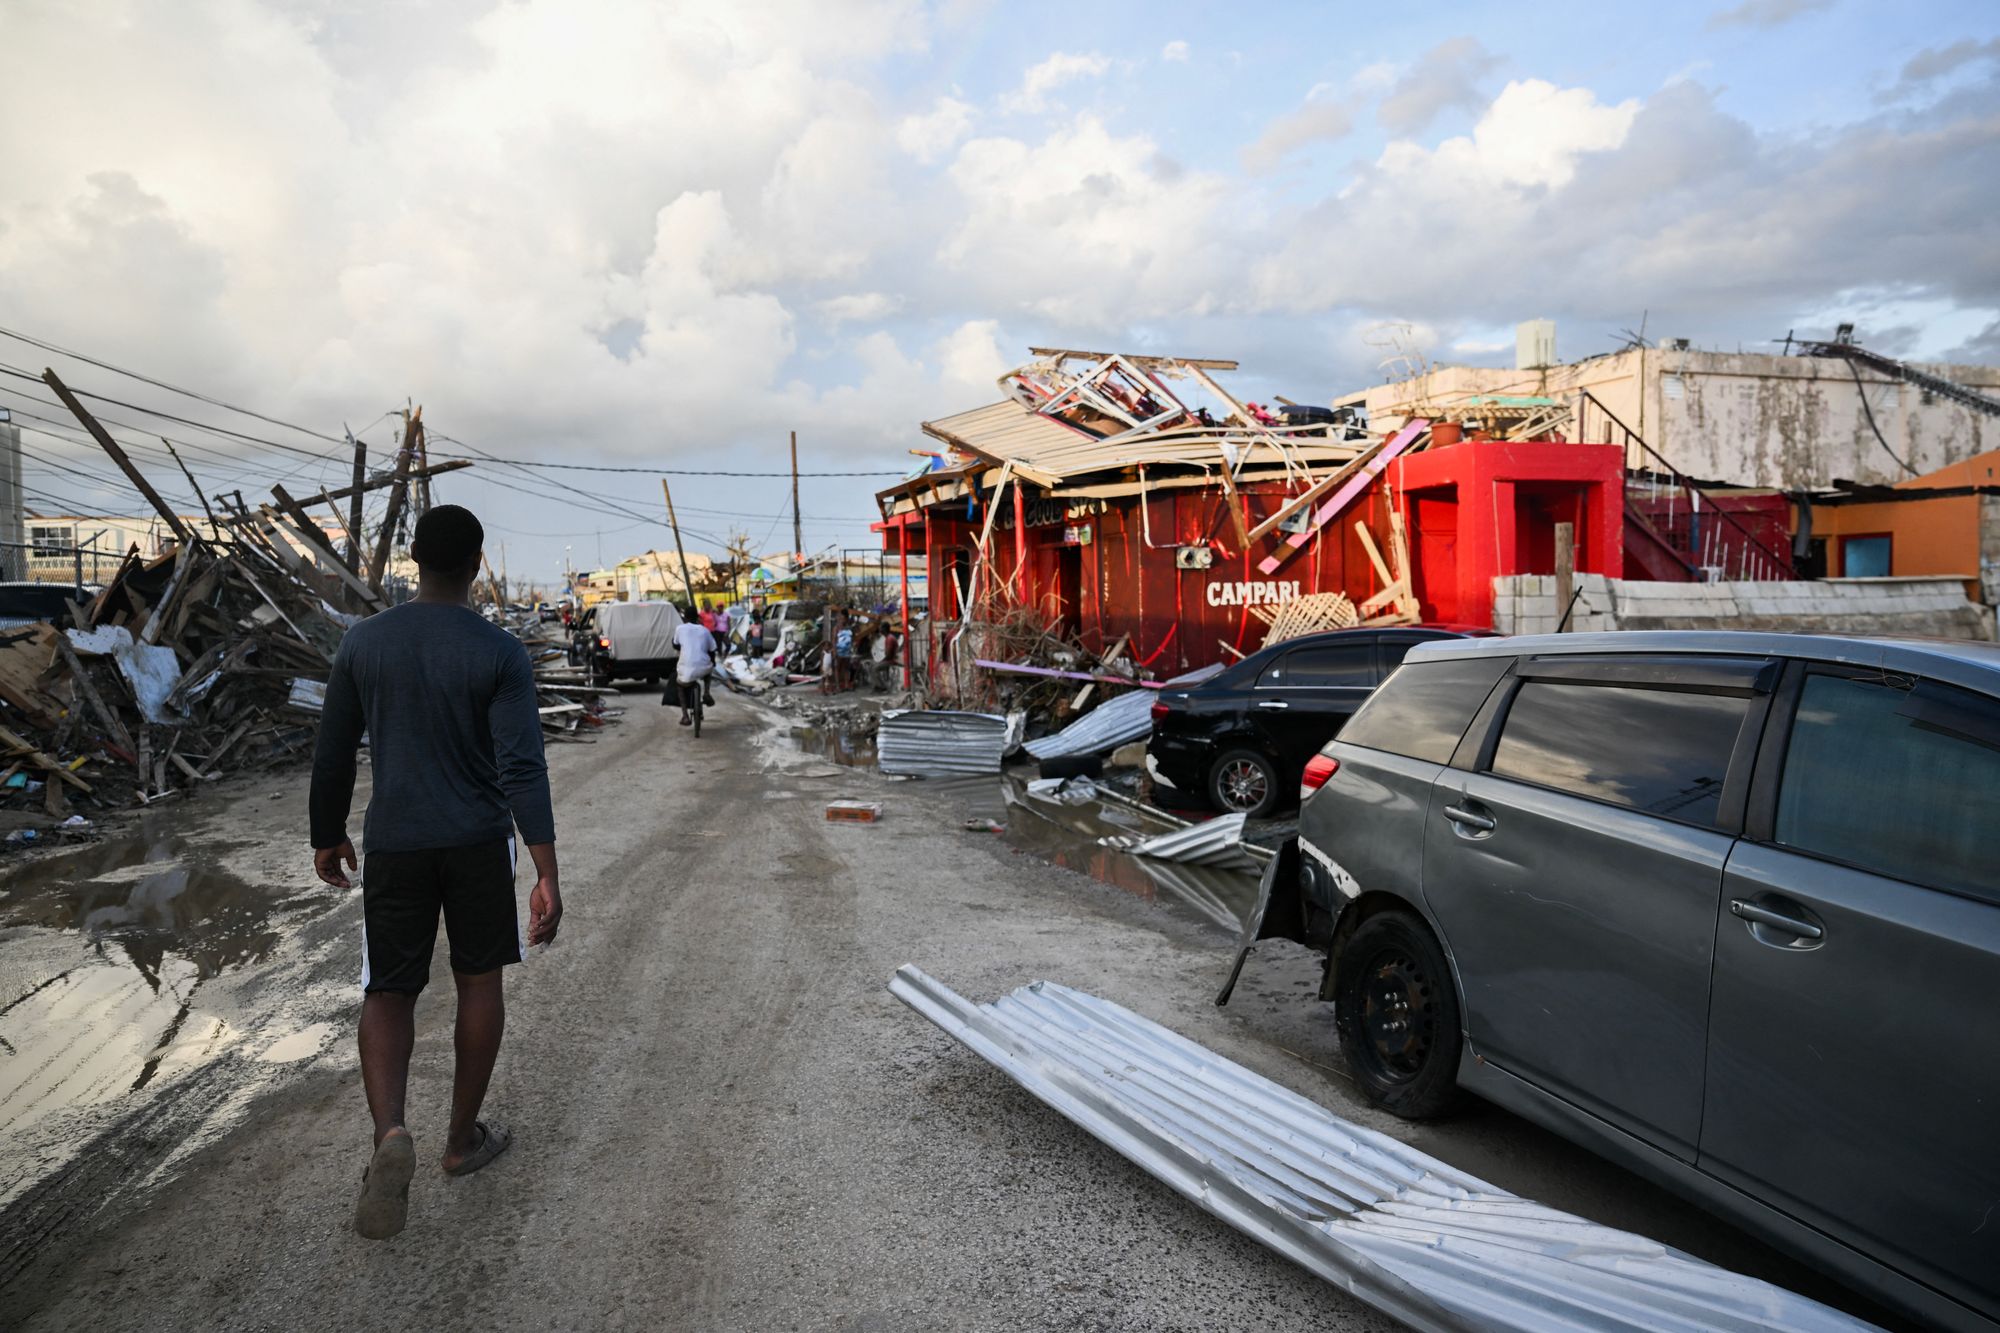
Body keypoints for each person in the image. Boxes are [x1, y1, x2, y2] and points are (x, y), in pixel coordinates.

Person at [308, 504, 562, 1241]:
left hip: (396, 843)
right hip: (479, 841)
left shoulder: (365, 643)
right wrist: (546, 871)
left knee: (388, 989)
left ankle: (391, 1133)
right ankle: (459, 1141)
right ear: (477, 564)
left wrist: (327, 834)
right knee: (479, 981)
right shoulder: (500, 651)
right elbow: (522, 767)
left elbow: (333, 750)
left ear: (415, 558)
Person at [670, 603, 717, 723]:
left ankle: (685, 716)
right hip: (703, 666)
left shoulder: (680, 629)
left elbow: (675, 644)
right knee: (708, 670)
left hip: (686, 666)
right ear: (697, 617)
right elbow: (712, 649)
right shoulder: (705, 630)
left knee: (680, 686)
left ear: (685, 617)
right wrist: (713, 662)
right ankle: (706, 692)